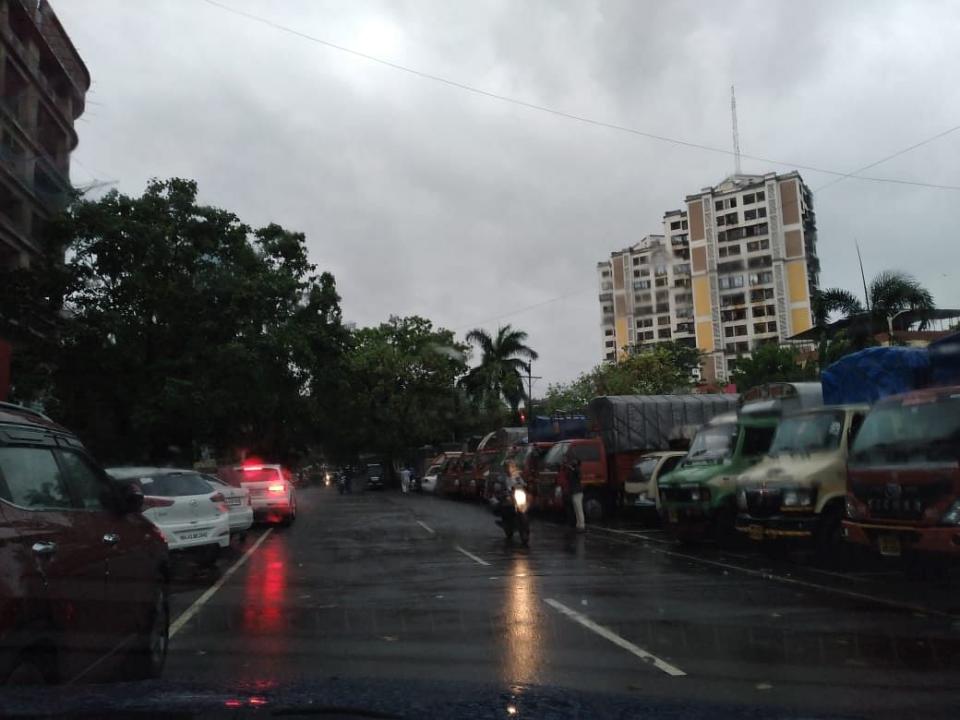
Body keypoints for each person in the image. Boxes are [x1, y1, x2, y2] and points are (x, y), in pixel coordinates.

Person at [567, 456, 585, 532]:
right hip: (575, 492)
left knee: (579, 509)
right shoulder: (573, 470)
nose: (573, 462)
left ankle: (582, 525)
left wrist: (572, 469)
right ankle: (579, 525)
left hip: (577, 492)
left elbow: (579, 476)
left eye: (574, 460)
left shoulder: (577, 470)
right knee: (576, 509)